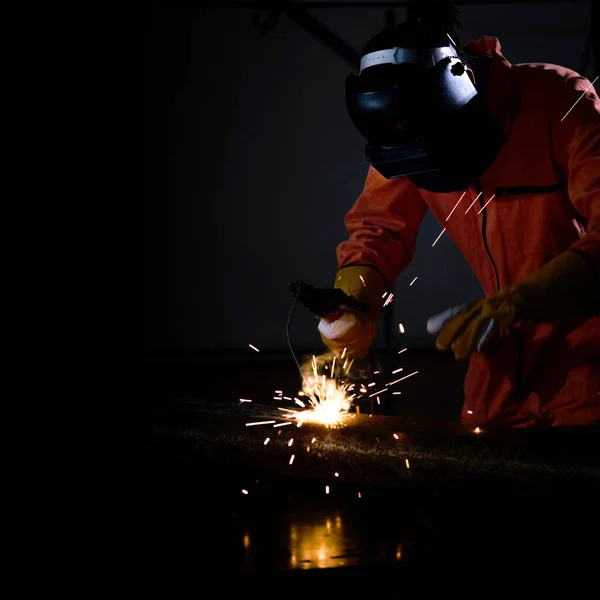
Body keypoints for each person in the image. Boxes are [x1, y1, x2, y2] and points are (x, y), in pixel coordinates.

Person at [318, 4, 600, 428]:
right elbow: (377, 233)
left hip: (587, 361)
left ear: (462, 95)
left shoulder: (558, 101)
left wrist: (523, 301)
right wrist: (354, 305)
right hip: (502, 362)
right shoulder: (404, 138)